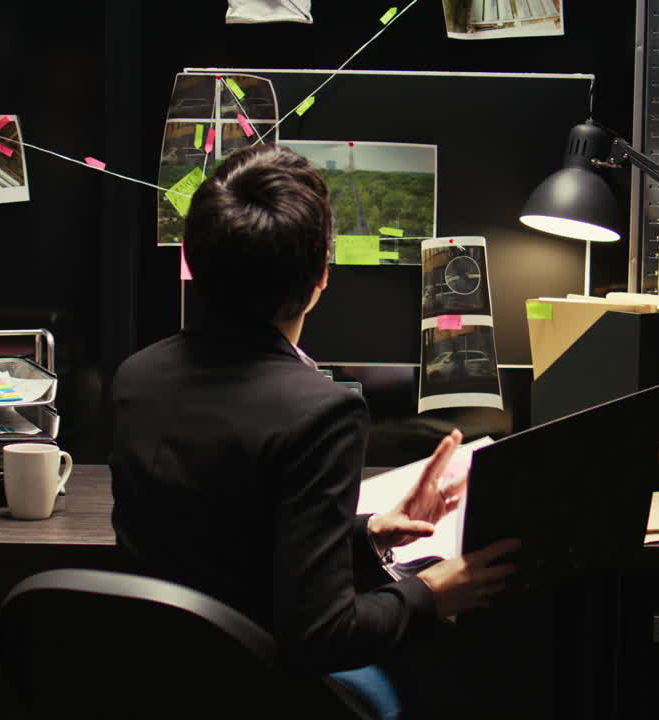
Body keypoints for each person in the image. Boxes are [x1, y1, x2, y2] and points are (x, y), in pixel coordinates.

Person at [109, 144, 519, 718]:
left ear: (191, 259)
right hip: (260, 688)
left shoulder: (135, 377)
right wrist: (431, 594)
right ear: (322, 277)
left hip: (159, 679)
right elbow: (322, 635)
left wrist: (370, 532)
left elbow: (228, 540)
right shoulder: (321, 412)